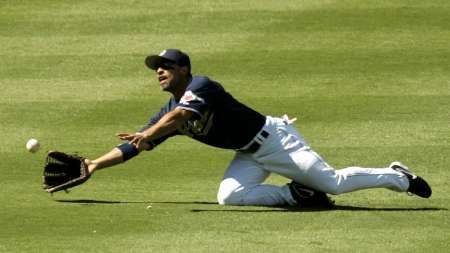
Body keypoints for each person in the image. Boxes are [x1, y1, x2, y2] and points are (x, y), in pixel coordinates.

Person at [84, 48, 431, 207]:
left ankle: (397, 176)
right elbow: (135, 146)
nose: (160, 71)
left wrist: (149, 133)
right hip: (248, 154)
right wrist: (95, 165)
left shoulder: (202, 86)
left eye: (167, 66)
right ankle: (297, 194)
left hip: (277, 141)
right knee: (229, 197)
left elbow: (175, 121)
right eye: (156, 68)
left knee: (334, 184)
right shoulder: (166, 113)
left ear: (185, 70)